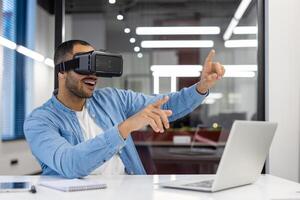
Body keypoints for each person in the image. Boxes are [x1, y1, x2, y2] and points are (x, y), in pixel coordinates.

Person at [24, 40, 225, 178]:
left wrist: (201, 86)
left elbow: (166, 104)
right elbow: (70, 164)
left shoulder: (113, 99)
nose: (93, 75)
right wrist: (125, 128)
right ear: (61, 71)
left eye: (96, 66)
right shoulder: (40, 121)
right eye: (85, 65)